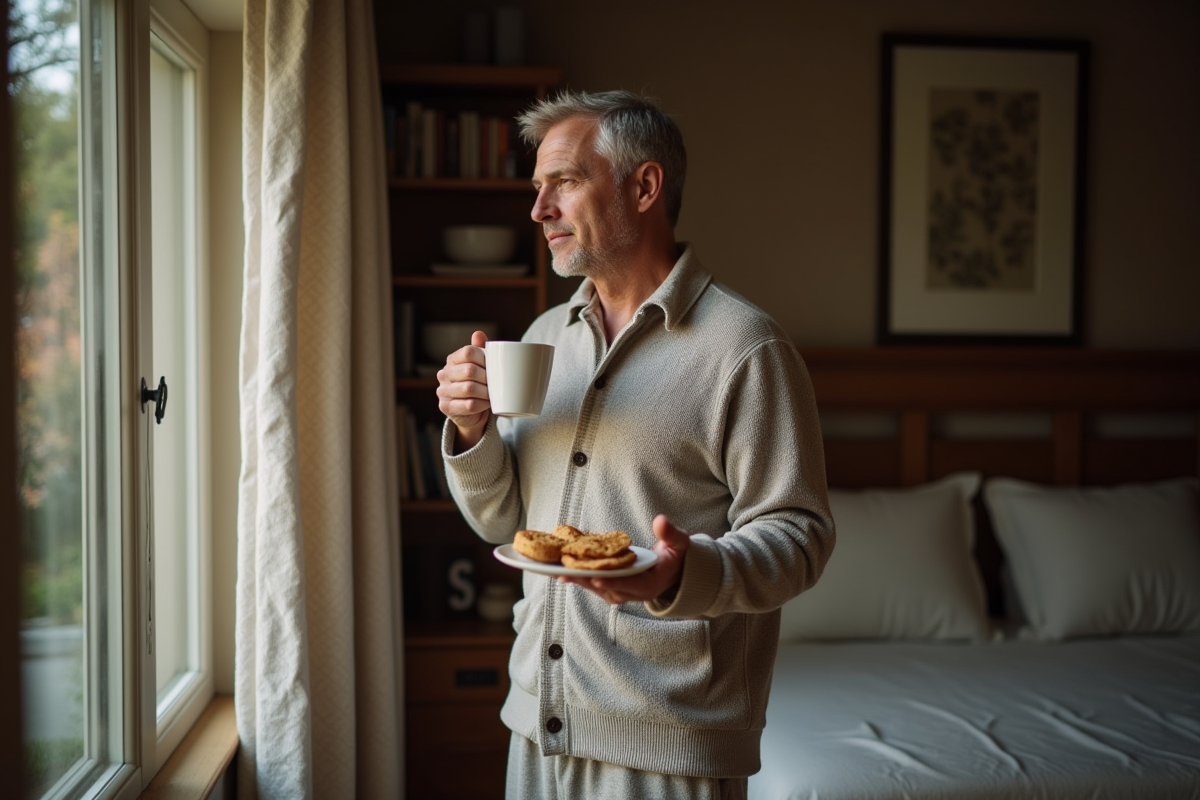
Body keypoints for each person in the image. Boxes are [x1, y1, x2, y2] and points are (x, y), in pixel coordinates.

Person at [436, 89, 834, 800]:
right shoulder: (541, 339)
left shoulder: (744, 348)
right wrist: (473, 433)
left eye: (564, 181)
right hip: (534, 732)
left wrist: (684, 575)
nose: (539, 210)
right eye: (537, 188)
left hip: (668, 755)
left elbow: (801, 537)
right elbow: (504, 527)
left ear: (644, 185)